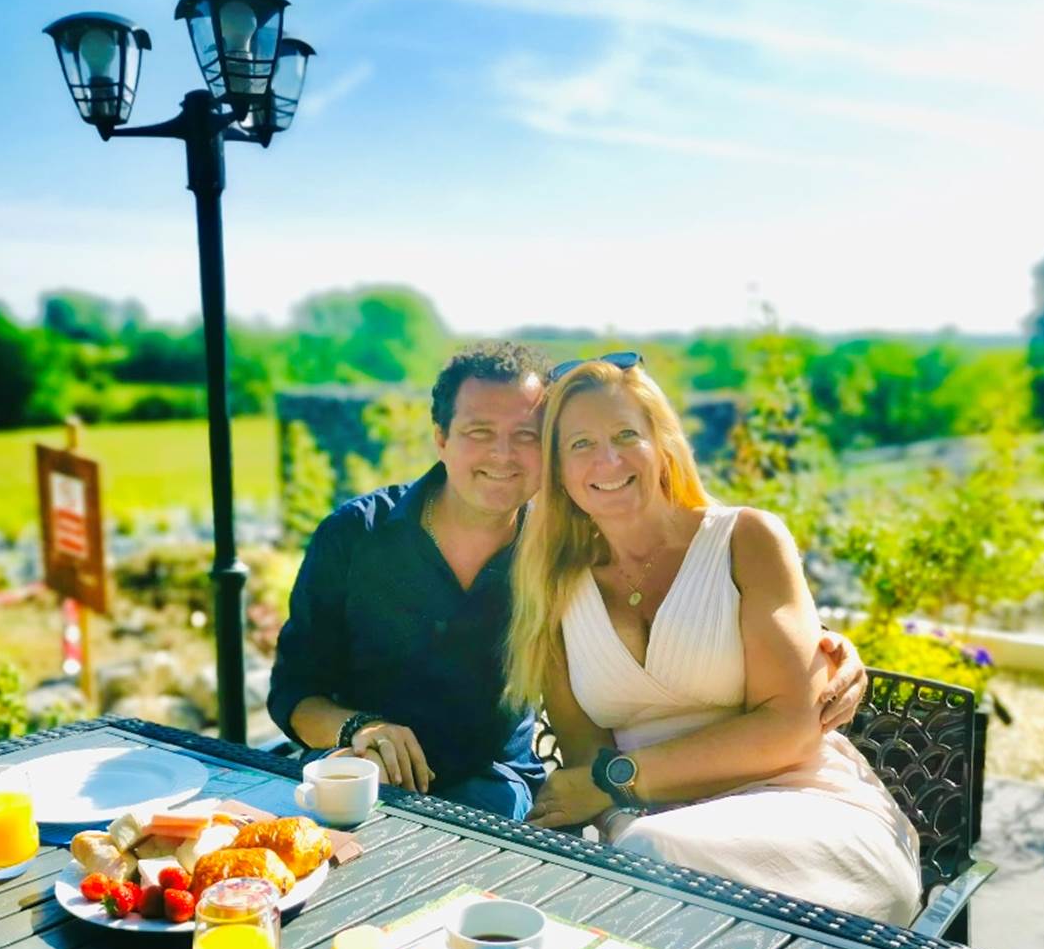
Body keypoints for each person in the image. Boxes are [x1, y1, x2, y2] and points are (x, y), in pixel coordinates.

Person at [268, 342, 871, 822]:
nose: (503, 454)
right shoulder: (356, 535)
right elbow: (295, 693)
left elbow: (699, 594)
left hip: (493, 789)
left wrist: (827, 646)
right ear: (441, 439)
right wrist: (360, 728)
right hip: (356, 782)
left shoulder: (562, 555)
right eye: (480, 431)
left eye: (526, 436)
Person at [506, 355, 922, 924]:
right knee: (640, 881)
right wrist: (617, 805)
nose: (608, 459)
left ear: (662, 443)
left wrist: (620, 783)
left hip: (804, 808)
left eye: (627, 434)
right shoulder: (554, 588)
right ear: (555, 471)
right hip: (651, 830)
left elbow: (791, 731)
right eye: (580, 444)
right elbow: (586, 761)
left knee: (648, 869)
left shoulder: (745, 539)